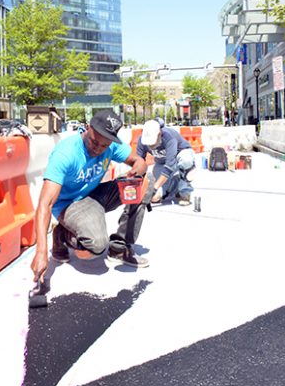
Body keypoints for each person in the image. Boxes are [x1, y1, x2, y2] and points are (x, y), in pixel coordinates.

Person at [31, 110, 152, 284]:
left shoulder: (111, 146)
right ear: (88, 128)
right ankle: (63, 235)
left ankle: (119, 247)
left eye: (104, 146)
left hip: (95, 194)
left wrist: (137, 171)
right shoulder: (66, 153)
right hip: (70, 204)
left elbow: (139, 161)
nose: (97, 149)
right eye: (94, 142)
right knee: (96, 245)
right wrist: (41, 251)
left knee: (146, 183)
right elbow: (45, 204)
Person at [136, 119, 195, 206]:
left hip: (180, 155)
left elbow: (169, 167)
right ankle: (174, 187)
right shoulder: (142, 140)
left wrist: (155, 188)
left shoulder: (169, 138)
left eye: (152, 143)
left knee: (186, 160)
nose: (151, 147)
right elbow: (139, 163)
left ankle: (185, 192)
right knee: (155, 198)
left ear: (159, 134)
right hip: (161, 162)